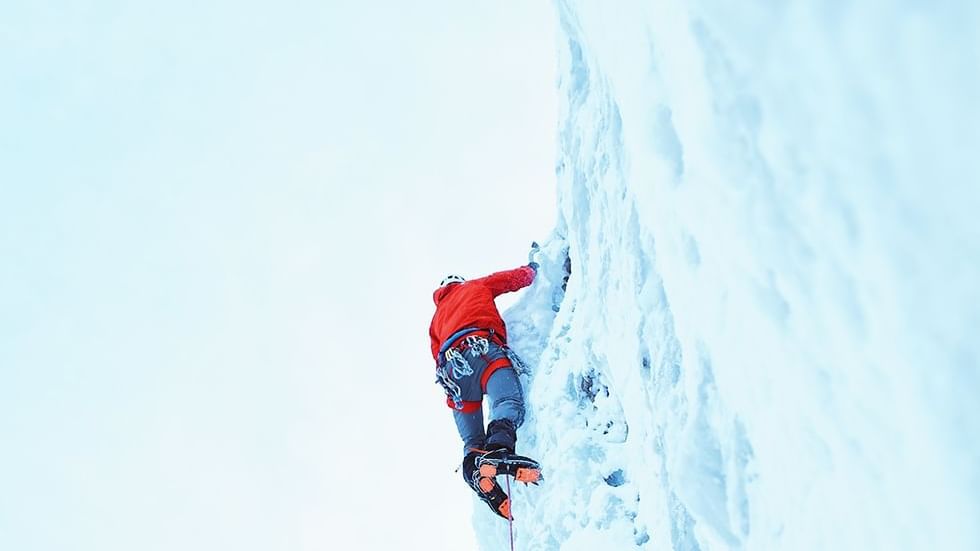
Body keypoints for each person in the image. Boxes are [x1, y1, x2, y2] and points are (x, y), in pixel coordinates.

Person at [429, 259, 541, 519]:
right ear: (460, 282)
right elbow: (509, 279)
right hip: (482, 349)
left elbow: (436, 354)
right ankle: (499, 451)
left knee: (472, 441)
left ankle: (476, 470)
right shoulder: (476, 286)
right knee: (507, 402)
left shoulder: (436, 320)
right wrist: (531, 271)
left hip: (453, 371)